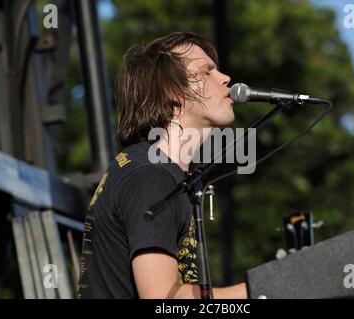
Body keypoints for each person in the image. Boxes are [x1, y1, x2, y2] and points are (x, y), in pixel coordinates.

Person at [76, 32, 247, 299]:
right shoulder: (151, 177)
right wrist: (263, 289)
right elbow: (162, 299)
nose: (225, 78)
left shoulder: (161, 172)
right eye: (207, 72)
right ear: (173, 92)